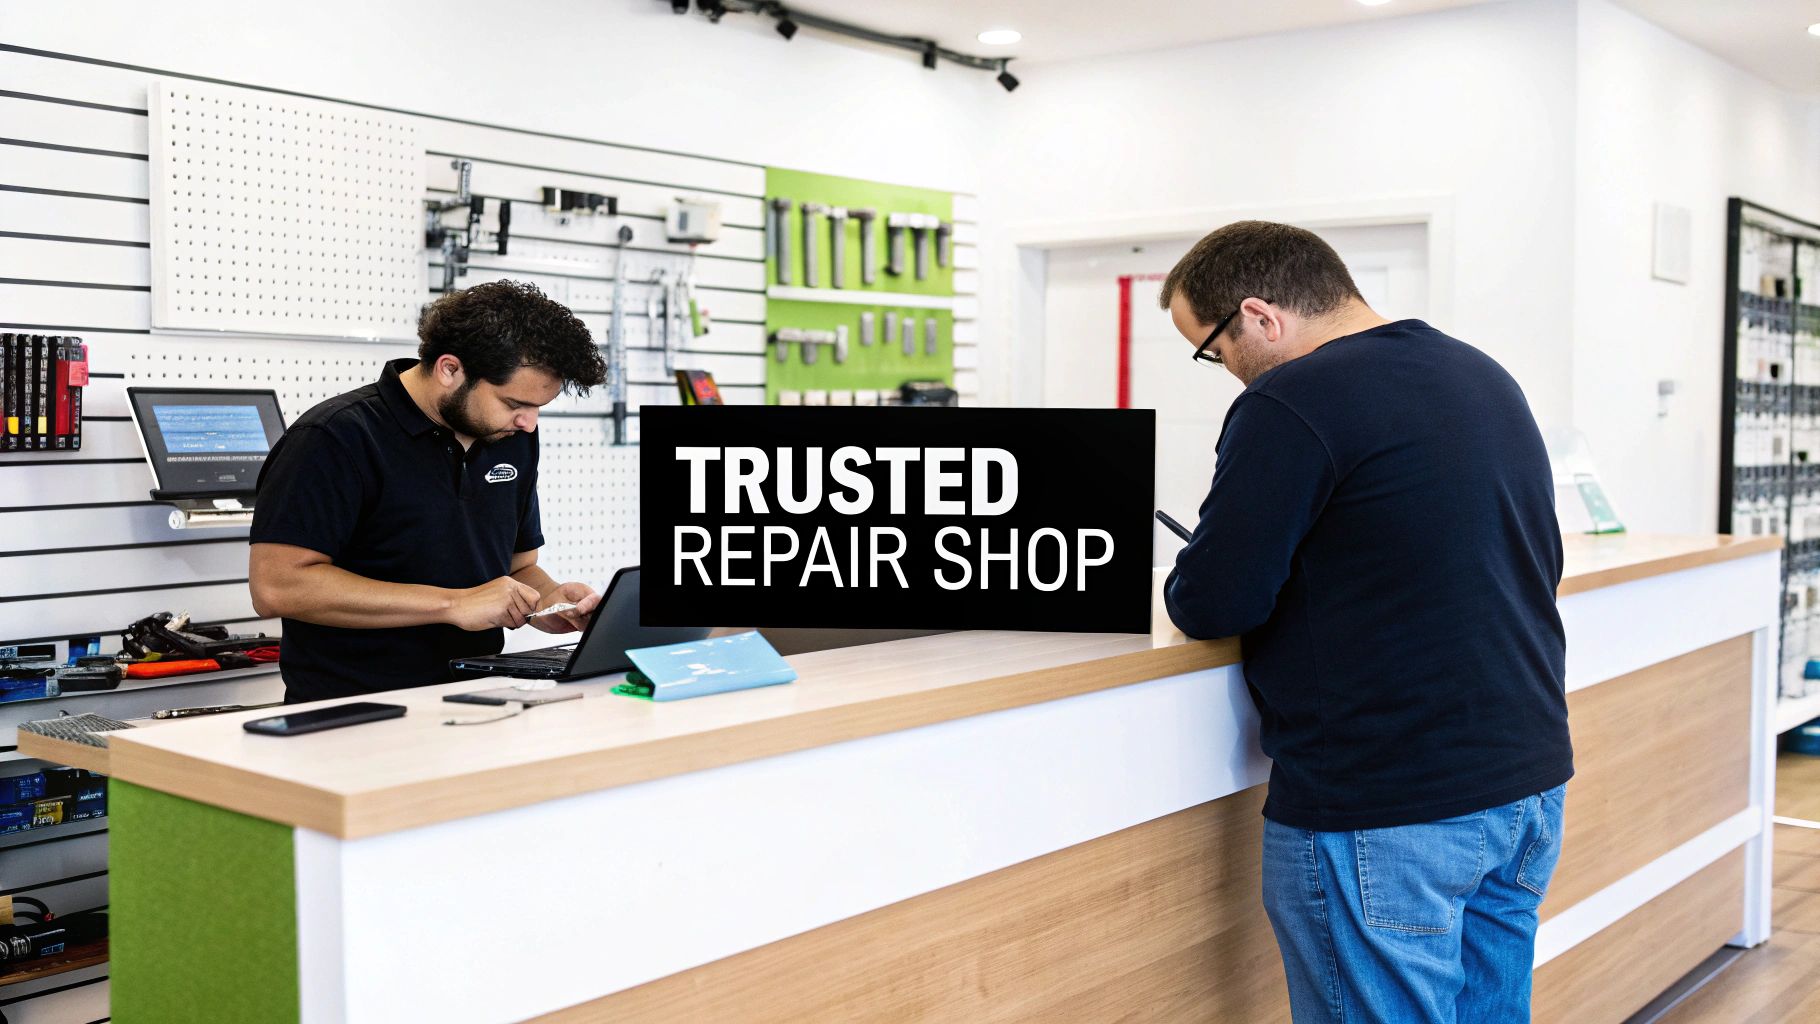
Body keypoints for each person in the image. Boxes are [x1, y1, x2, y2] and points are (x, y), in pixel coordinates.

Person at [1158, 221, 1572, 1022]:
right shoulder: (1479, 373)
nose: (1227, 374)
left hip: (1387, 804)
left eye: (1214, 350)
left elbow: (1214, 603)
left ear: (1260, 316)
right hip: (1523, 781)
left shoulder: (1292, 399)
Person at [249, 280, 608, 704]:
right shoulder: (334, 437)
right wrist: (452, 605)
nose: (528, 423)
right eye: (514, 404)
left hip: (477, 701)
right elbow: (276, 587)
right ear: (450, 369)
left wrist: (547, 602)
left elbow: (518, 565)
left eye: (537, 409)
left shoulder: (511, 438)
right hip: (351, 711)